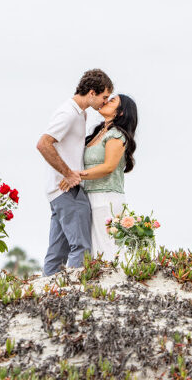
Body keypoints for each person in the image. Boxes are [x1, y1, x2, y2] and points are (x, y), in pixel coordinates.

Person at [37, 69, 114, 276]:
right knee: (81, 247)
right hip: (66, 190)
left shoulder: (81, 113)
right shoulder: (68, 113)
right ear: (91, 93)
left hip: (59, 191)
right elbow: (44, 144)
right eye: (104, 97)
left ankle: (47, 296)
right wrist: (69, 173)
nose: (105, 102)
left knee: (57, 252)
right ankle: (75, 295)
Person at [60, 94, 138, 259]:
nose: (106, 101)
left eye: (112, 101)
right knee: (95, 248)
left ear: (121, 112)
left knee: (107, 246)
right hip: (91, 196)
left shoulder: (116, 134)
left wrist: (76, 176)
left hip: (106, 197)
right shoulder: (99, 132)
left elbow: (108, 167)